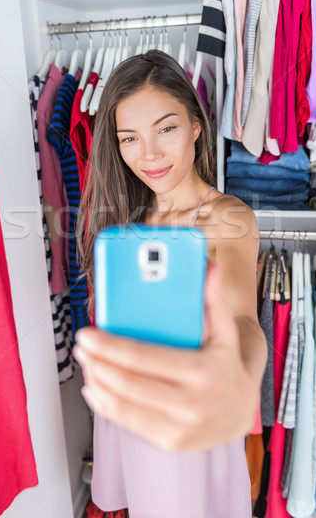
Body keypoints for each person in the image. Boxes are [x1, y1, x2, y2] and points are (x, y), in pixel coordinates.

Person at [74, 50, 268, 518]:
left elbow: (243, 319)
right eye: (130, 138)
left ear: (196, 126)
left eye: (166, 128)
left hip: (191, 418)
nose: (150, 154)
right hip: (130, 420)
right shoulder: (124, 223)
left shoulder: (227, 216)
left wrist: (240, 374)